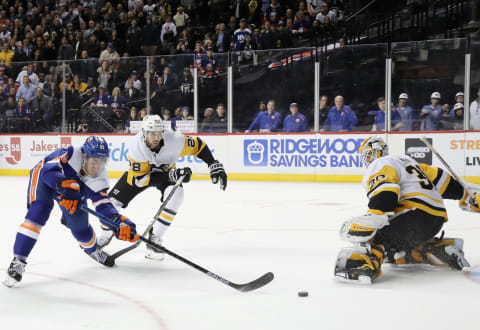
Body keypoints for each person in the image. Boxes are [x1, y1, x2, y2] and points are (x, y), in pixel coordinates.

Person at [334, 136, 472, 284]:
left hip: (413, 216)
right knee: (395, 245)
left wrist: (374, 216)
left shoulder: (379, 163)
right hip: (435, 220)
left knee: (374, 237)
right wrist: (468, 196)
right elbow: (443, 180)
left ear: (378, 152)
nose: (367, 160)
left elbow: (386, 191)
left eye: (368, 155)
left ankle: (362, 267)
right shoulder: (409, 161)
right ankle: (431, 251)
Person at [3, 136, 139, 287]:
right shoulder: (69, 153)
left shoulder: (99, 177)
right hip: (45, 181)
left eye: (102, 161)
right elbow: (48, 171)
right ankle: (18, 260)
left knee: (80, 225)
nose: (97, 167)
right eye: (94, 160)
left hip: (71, 191)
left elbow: (103, 206)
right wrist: (63, 186)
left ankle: (93, 250)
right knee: (37, 214)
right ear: (84, 156)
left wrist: (118, 222)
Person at [98, 115, 228, 260]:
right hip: (140, 176)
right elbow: (141, 180)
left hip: (166, 174)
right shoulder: (136, 147)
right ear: (144, 133)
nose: (156, 137)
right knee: (111, 204)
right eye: (152, 133)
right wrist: (172, 175)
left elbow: (198, 145)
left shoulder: (175, 140)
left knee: (177, 195)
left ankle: (155, 239)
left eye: (159, 132)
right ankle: (105, 235)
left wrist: (213, 164)